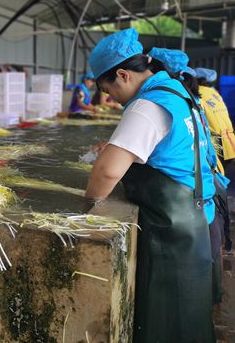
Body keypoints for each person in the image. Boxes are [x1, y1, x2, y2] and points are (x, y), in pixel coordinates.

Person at [85, 28, 216, 343]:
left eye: (107, 89)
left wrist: (88, 204)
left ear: (123, 75)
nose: (109, 99)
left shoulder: (148, 107)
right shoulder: (176, 92)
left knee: (166, 318)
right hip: (194, 218)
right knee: (186, 317)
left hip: (172, 233)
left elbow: (106, 173)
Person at [148, 48, 231, 304]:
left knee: (208, 245)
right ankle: (212, 297)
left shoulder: (178, 100)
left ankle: (207, 300)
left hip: (202, 182)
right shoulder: (199, 96)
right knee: (212, 242)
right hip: (213, 172)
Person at [195, 67, 235, 169]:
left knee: (213, 176)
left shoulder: (197, 93)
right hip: (229, 141)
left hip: (215, 141)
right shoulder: (214, 93)